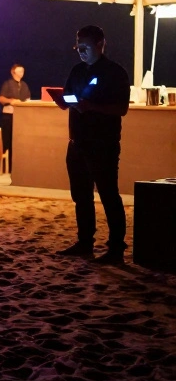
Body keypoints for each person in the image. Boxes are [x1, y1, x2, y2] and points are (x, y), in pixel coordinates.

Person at [54, 25, 130, 264]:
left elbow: (121, 108)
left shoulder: (115, 73)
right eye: (78, 47)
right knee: (81, 196)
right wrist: (64, 101)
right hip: (77, 142)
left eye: (85, 47)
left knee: (109, 195)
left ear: (100, 44)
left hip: (103, 144)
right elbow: (68, 95)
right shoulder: (77, 70)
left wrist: (91, 106)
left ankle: (116, 248)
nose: (80, 51)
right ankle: (85, 242)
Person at [0, 63, 31, 169]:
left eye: (23, 71)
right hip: (8, 116)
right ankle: (7, 166)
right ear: (13, 72)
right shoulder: (7, 84)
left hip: (21, 117)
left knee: (18, 141)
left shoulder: (24, 85)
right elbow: (1, 98)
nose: (22, 73)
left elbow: (28, 99)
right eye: (19, 71)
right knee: (8, 140)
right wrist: (11, 100)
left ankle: (17, 165)